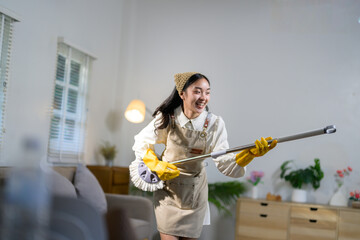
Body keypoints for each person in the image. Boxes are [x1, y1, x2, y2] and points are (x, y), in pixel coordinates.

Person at [131, 72, 277, 240]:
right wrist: (154, 163)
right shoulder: (167, 118)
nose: (203, 97)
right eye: (197, 91)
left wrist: (248, 155)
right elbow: (141, 142)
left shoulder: (215, 124)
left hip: (195, 195)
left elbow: (224, 163)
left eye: (207, 92)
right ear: (182, 94)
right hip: (169, 193)